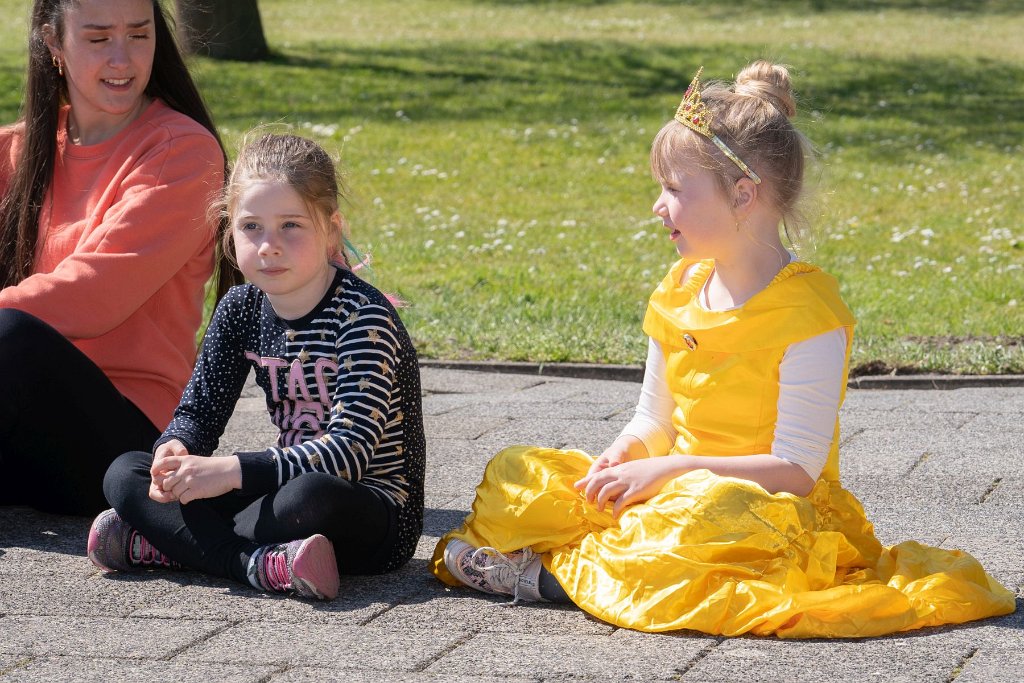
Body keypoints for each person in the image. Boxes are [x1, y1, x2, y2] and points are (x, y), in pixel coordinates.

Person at [430, 61, 1015, 637]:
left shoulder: (806, 313)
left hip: (763, 509)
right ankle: (591, 568)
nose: (658, 206)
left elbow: (797, 470)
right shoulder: (679, 290)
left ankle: (552, 578)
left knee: (705, 515)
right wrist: (625, 454)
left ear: (742, 195)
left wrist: (672, 470)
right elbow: (654, 418)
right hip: (672, 485)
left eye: (674, 189)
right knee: (518, 470)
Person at [87, 133, 425, 601]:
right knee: (126, 473)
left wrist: (228, 472)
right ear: (230, 232)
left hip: (367, 512)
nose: (269, 246)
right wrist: (177, 450)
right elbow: (198, 414)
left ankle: (170, 544)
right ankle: (258, 564)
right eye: (251, 227)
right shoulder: (241, 307)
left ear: (331, 228)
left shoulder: (362, 317)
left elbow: (349, 454)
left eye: (290, 225)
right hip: (276, 491)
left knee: (308, 496)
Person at [0, 0, 237, 516]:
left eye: (138, 35)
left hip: (129, 446)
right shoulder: (17, 150)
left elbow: (90, 298)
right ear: (53, 43)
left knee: (11, 335)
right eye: (99, 38)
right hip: (25, 431)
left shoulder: (183, 152)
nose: (123, 60)